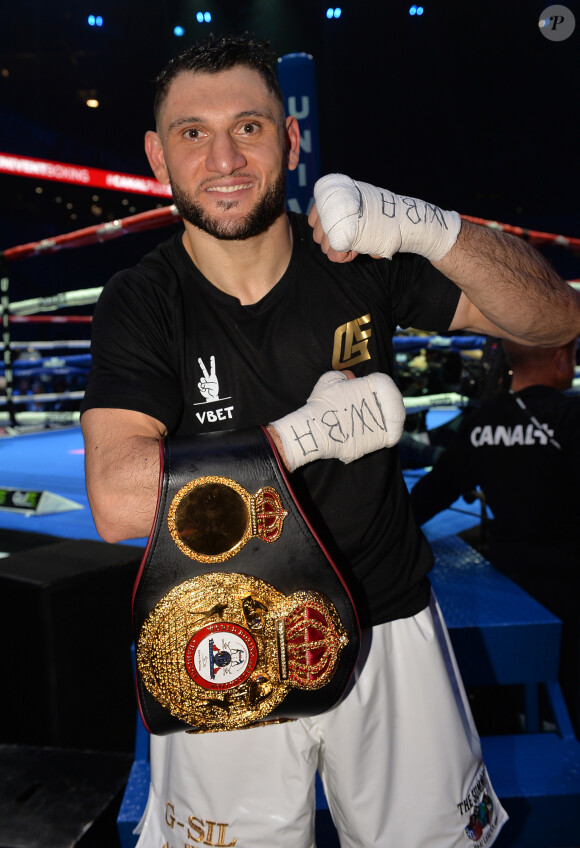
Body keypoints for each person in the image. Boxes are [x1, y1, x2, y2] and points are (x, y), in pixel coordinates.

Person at [79, 32, 580, 848]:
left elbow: (556, 317)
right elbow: (115, 498)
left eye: (249, 126)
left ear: (290, 137)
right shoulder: (142, 301)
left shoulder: (359, 260)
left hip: (390, 624)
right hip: (222, 631)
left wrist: (430, 226)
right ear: (156, 153)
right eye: (192, 133)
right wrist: (298, 440)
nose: (224, 157)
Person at [411, 337, 580, 735]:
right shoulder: (574, 417)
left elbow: (428, 498)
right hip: (571, 588)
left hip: (507, 588)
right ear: (560, 357)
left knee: (503, 700)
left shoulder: (482, 421)